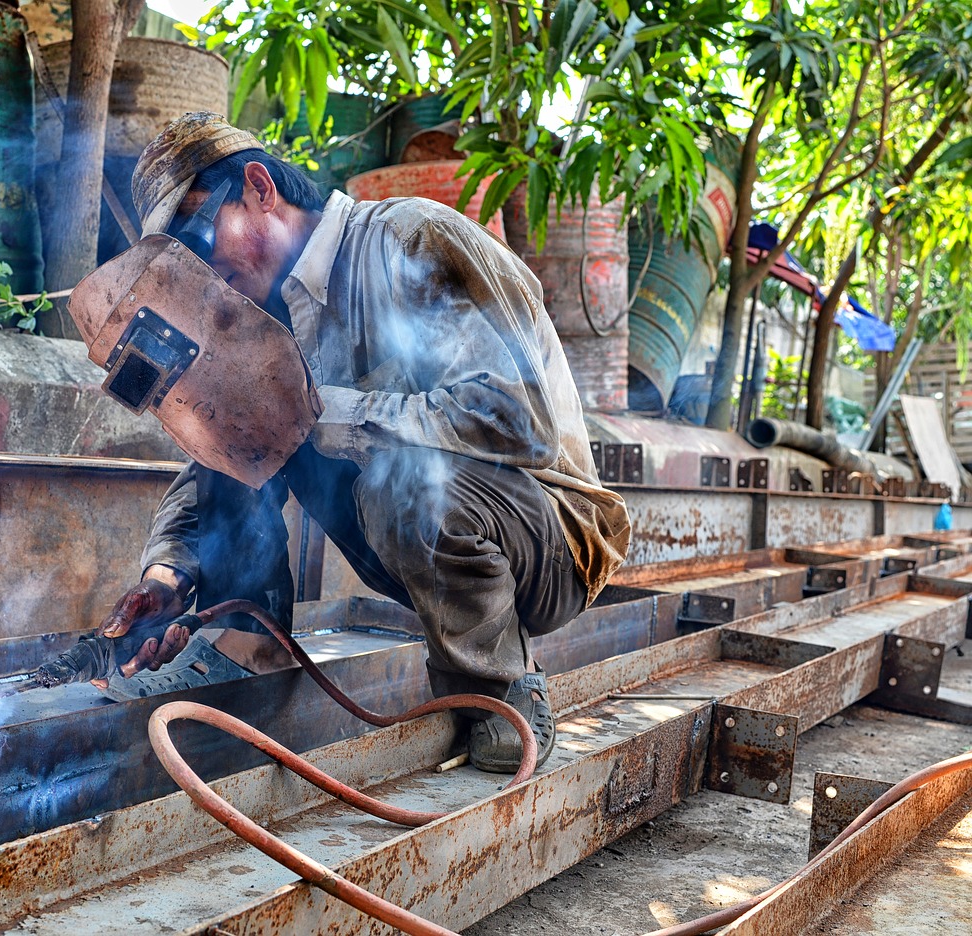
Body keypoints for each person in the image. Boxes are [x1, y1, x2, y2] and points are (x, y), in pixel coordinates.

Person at [82, 112, 630, 773]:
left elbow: (518, 420)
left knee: (397, 479)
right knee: (241, 409)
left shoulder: (413, 239)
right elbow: (220, 457)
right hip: (434, 537)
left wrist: (314, 412)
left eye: (199, 238)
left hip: (548, 536)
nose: (200, 271)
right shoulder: (271, 316)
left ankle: (499, 695)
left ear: (260, 188)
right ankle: (246, 645)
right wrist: (168, 573)